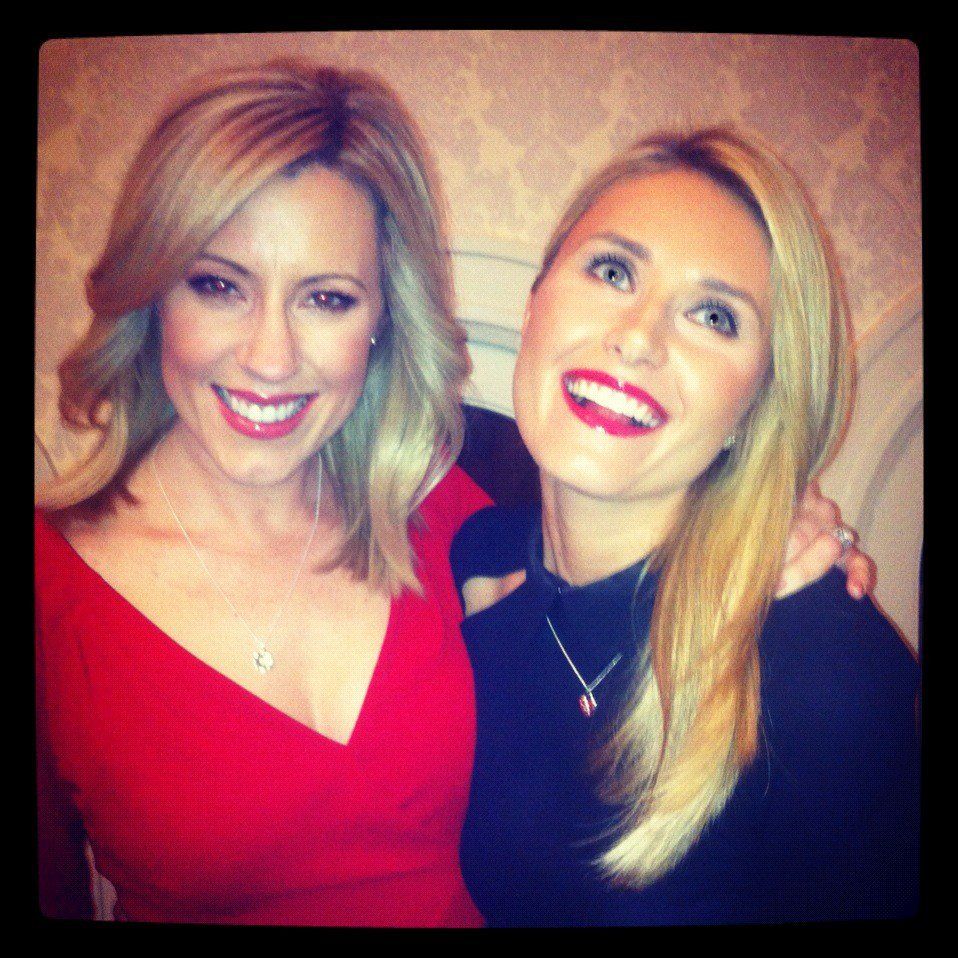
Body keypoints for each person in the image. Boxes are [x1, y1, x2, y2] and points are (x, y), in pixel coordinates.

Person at [36, 62, 870, 926]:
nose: (270, 358)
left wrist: (767, 524)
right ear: (152, 294)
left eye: (327, 298)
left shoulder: (449, 521)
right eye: (218, 285)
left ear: (381, 321)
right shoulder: (52, 591)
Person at [452, 128, 919, 925]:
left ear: (755, 405)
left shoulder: (825, 675)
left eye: (713, 315)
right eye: (612, 271)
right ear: (534, 304)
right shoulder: (478, 557)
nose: (638, 336)